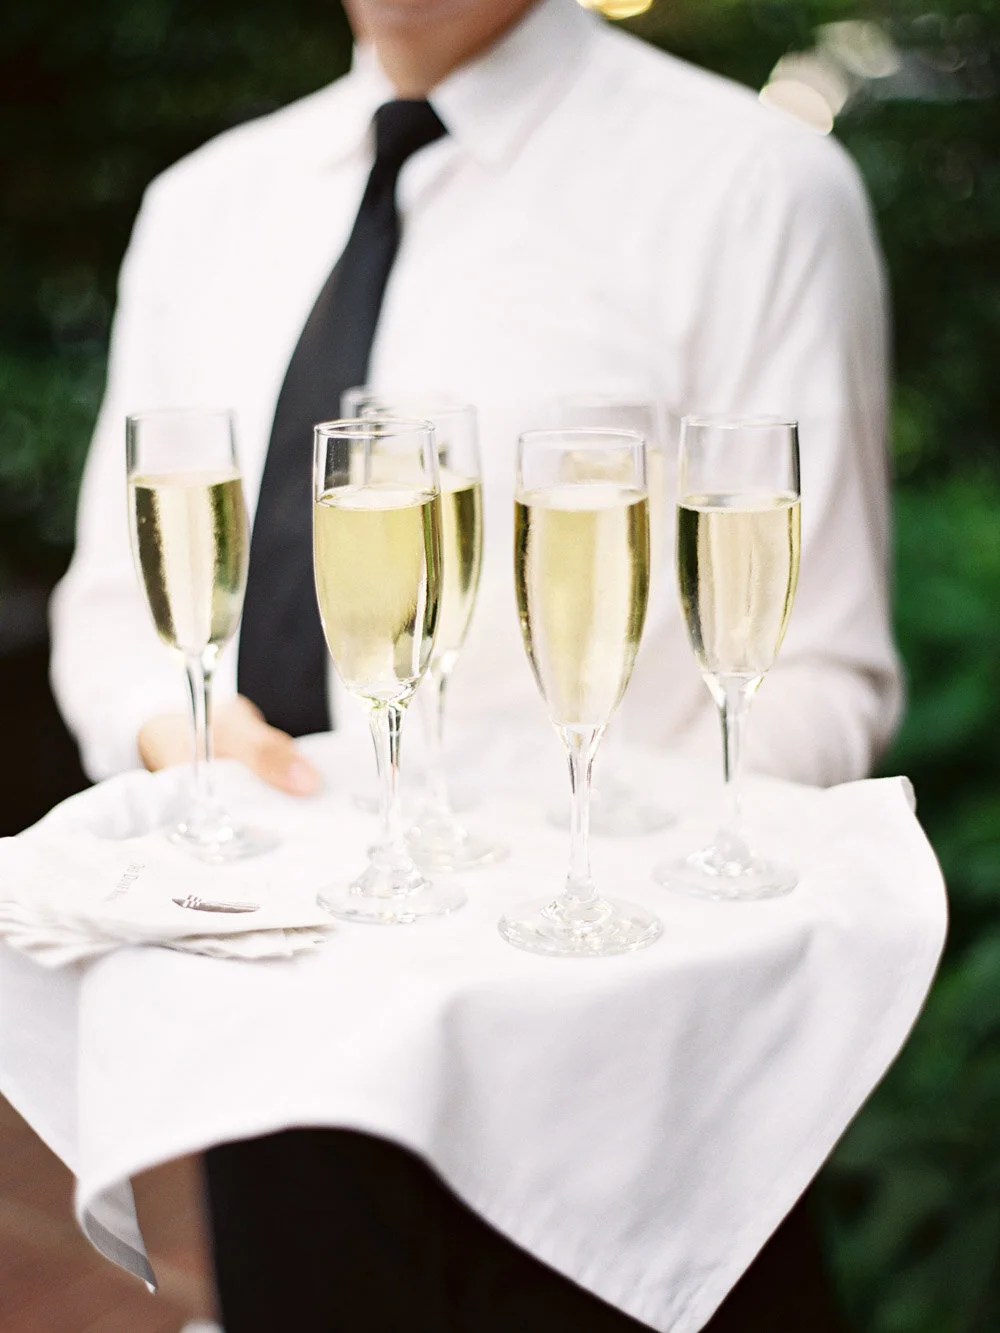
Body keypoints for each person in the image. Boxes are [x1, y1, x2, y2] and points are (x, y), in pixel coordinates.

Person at [49, 0, 898, 1327]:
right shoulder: (202, 207)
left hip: (621, 1106)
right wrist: (188, 742)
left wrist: (593, 893)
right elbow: (112, 618)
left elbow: (823, 676)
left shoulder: (758, 185)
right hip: (287, 1044)